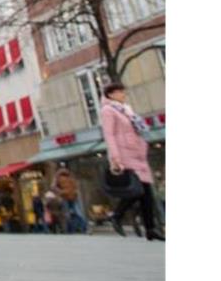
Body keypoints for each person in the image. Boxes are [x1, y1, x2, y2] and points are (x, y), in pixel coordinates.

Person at [101, 82, 164, 240]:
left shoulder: (126, 110)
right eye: (120, 91)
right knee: (137, 190)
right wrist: (115, 158)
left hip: (138, 154)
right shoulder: (108, 111)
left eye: (123, 91)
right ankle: (117, 215)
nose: (123, 94)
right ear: (111, 94)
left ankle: (151, 229)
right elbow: (110, 135)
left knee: (146, 193)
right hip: (124, 153)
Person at [55, 166, 86, 233]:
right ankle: (83, 227)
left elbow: (54, 187)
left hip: (66, 197)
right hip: (74, 197)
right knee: (78, 212)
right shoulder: (71, 178)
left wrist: (60, 192)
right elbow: (75, 187)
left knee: (68, 214)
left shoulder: (58, 179)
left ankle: (72, 229)